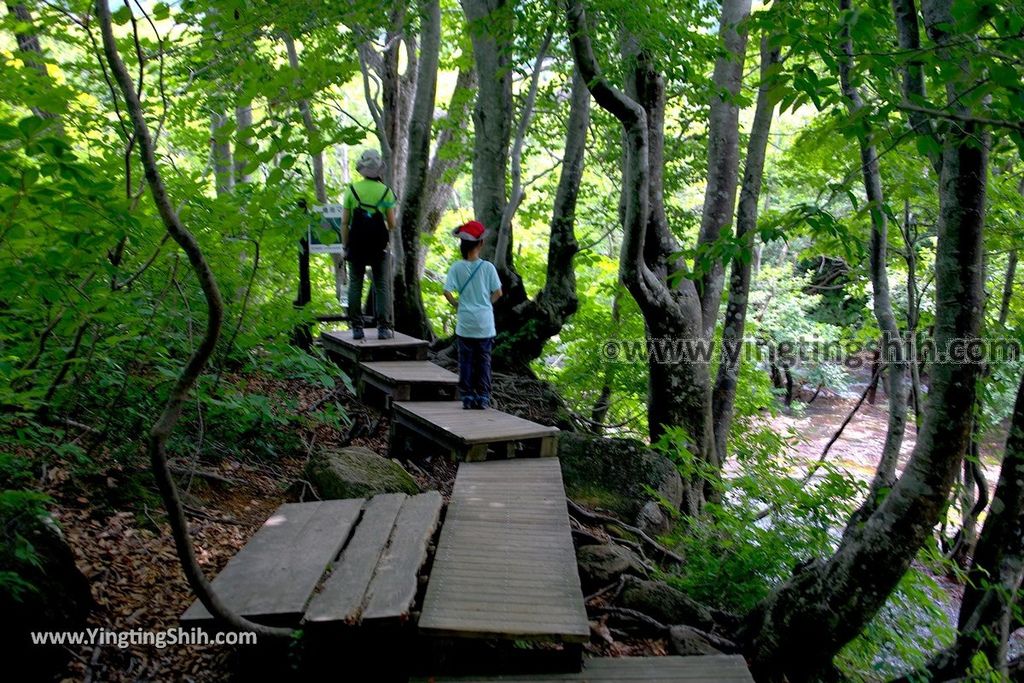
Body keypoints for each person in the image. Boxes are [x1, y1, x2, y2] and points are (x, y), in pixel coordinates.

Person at [444, 221, 503, 409]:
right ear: (481, 244)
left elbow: (447, 291)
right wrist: (487, 304)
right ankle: (483, 396)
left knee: (466, 361)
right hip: (485, 323)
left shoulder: (456, 267)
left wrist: (456, 304)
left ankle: (467, 396)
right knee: (484, 361)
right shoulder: (488, 268)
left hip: (466, 323)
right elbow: (498, 292)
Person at [341, 149, 397, 340]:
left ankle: (356, 326)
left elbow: (344, 223)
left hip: (356, 245)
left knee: (355, 283)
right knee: (381, 285)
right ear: (379, 170)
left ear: (362, 169)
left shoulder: (352, 190)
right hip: (378, 246)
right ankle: (383, 327)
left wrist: (345, 245)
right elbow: (392, 224)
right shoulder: (387, 192)